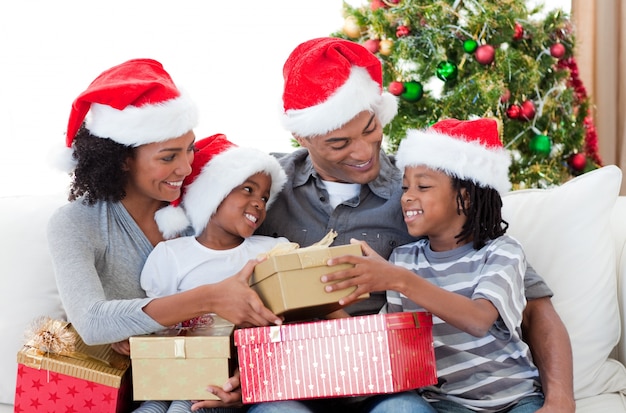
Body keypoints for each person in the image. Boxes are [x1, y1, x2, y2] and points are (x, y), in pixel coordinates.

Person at [256, 37, 575, 412]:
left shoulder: (424, 194)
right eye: (339, 143)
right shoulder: (262, 187)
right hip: (296, 380)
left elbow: (533, 305)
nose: (362, 152)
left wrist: (559, 400)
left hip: (393, 389)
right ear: (302, 136)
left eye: (370, 129)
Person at [47, 58, 282, 413]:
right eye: (168, 157)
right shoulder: (76, 223)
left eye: (189, 148)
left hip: (208, 385)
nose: (186, 168)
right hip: (131, 388)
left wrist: (245, 378)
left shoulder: (203, 211)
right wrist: (209, 298)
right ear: (123, 159)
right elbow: (94, 322)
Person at [326, 118, 545, 412]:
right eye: (405, 187)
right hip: (442, 404)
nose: (407, 197)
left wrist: (399, 280)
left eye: (423, 186)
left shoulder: (501, 252)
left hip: (512, 400)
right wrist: (327, 307)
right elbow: (386, 343)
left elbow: (478, 320)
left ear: (464, 198)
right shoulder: (404, 260)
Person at [135, 134, 290, 413]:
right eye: (248, 189)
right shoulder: (172, 254)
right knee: (155, 406)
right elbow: (156, 320)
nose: (259, 203)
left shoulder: (271, 253)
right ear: (213, 194)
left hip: (236, 376)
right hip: (177, 367)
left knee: (188, 406)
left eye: (265, 197)